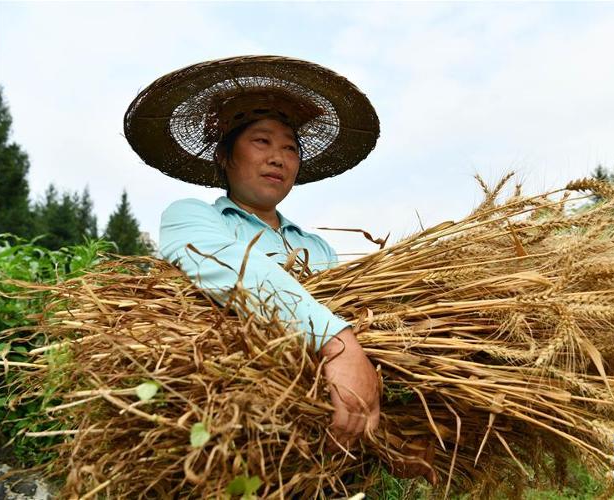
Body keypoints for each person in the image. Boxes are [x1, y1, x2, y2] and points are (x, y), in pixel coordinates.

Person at [124, 55, 436, 483]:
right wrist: (336, 341)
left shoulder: (317, 248)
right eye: (261, 142)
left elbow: (367, 324)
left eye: (290, 147)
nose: (278, 157)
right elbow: (231, 269)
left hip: (324, 460)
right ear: (224, 155)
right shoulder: (193, 217)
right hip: (236, 441)